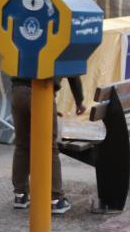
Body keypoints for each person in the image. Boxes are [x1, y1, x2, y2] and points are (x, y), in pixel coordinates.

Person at [11, 76, 85, 214]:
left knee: (22, 144)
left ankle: (20, 195)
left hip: (18, 91)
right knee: (49, 147)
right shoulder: (60, 52)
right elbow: (73, 73)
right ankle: (56, 199)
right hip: (42, 91)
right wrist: (79, 101)